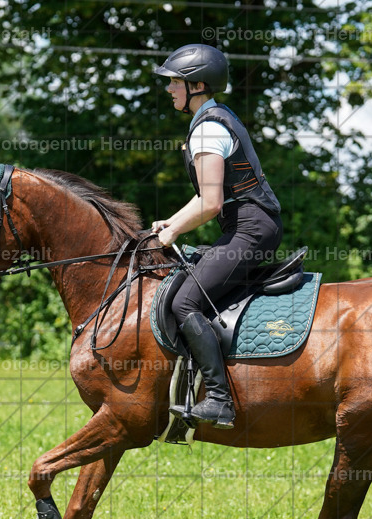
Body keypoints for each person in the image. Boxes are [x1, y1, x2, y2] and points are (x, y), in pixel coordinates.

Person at [152, 44, 283, 429]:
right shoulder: (212, 120)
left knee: (185, 302)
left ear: (197, 85)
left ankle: (221, 402)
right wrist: (169, 222)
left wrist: (176, 229)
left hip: (251, 229)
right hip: (249, 226)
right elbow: (204, 195)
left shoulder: (208, 128)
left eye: (176, 81)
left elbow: (210, 203)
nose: (170, 89)